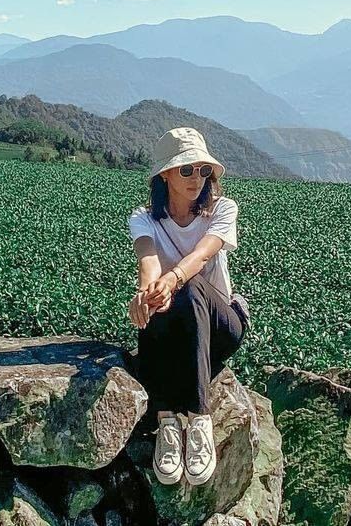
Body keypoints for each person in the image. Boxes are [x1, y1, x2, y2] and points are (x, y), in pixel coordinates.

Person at [127, 127, 248, 487]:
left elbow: (202, 254)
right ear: (165, 174)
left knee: (191, 286)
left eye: (203, 170)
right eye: (186, 170)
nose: (197, 177)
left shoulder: (222, 210)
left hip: (222, 325)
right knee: (156, 306)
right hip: (176, 327)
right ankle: (167, 422)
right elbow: (147, 260)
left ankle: (198, 420)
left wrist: (171, 280)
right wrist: (146, 294)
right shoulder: (143, 218)